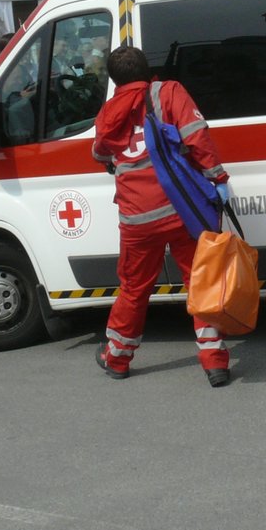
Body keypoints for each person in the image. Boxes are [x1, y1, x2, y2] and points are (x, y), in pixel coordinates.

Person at [91, 44, 233, 387]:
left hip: (137, 219)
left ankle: (118, 358)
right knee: (199, 282)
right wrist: (219, 179)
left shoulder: (108, 112)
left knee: (134, 288)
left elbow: (99, 152)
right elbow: (196, 137)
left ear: (114, 81)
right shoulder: (168, 92)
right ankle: (214, 359)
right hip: (181, 210)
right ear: (147, 69)